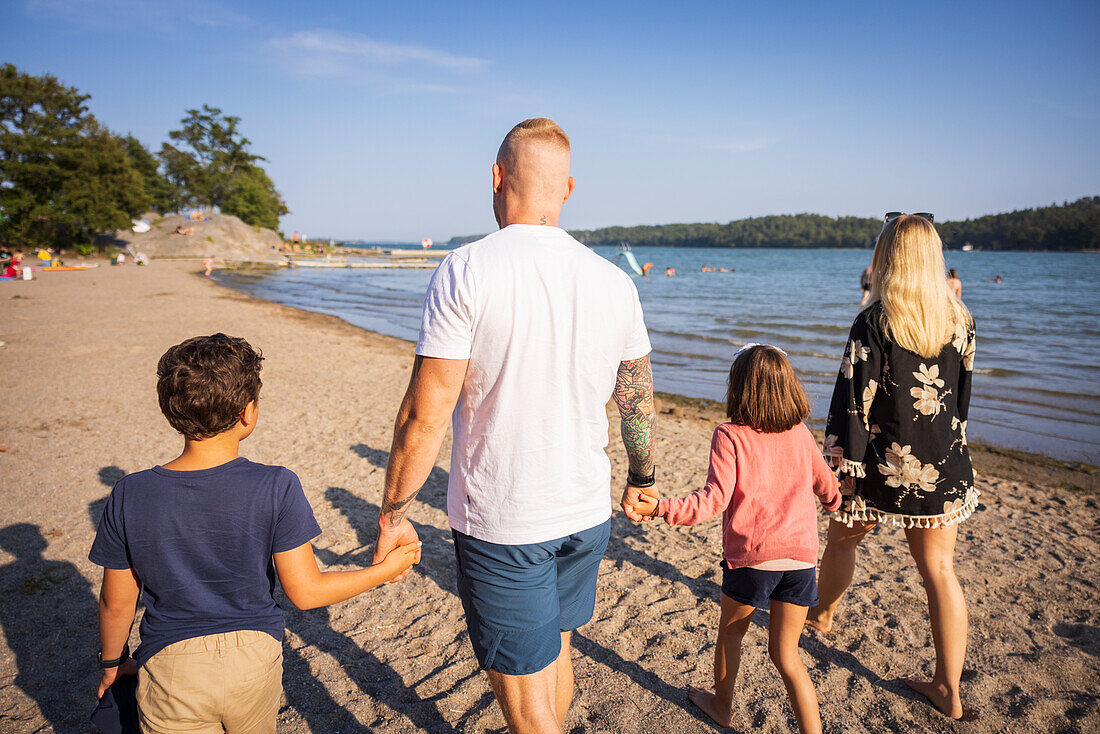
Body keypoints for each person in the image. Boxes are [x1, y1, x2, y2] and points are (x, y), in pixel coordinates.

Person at [372, 118, 656, 734]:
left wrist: (393, 515)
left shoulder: (466, 269)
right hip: (586, 514)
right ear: (569, 189)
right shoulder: (614, 282)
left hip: (506, 523)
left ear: (497, 178)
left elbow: (424, 415)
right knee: (555, 653)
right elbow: (636, 395)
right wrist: (642, 477)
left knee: (528, 710)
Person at [89, 334, 420, 733]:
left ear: (170, 410)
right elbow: (307, 592)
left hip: (171, 664)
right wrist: (385, 570)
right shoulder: (276, 485)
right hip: (254, 658)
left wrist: (113, 664)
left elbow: (115, 602)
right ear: (248, 412)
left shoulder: (131, 492)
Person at [808, 214, 977, 720]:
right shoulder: (960, 318)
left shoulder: (875, 321)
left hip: (875, 465)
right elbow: (961, 402)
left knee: (841, 540)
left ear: (889, 258)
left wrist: (839, 465)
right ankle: (949, 688)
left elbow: (853, 403)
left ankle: (823, 614)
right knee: (940, 571)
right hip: (941, 462)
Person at [630, 345, 840, 734]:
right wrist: (836, 500)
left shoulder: (729, 435)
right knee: (787, 656)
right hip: (801, 561)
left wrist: (660, 508)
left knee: (731, 632)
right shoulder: (801, 434)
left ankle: (722, 706)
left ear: (739, 388)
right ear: (788, 387)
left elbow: (713, 500)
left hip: (752, 561)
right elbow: (828, 488)